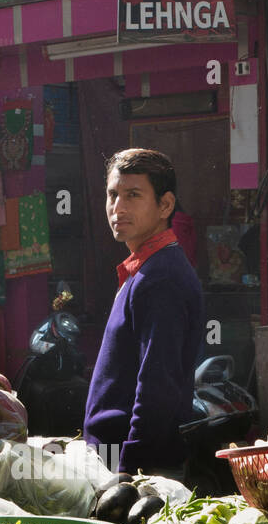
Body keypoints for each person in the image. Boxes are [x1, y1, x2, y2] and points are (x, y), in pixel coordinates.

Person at [82, 148, 205, 477]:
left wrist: (129, 471)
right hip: (115, 460)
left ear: (165, 205)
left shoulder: (160, 278)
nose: (117, 208)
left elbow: (157, 385)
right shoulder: (145, 270)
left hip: (139, 470)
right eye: (113, 195)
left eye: (133, 195)